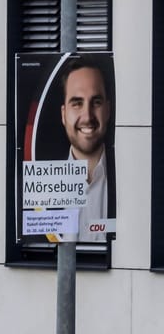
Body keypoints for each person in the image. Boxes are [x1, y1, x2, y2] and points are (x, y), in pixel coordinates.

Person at [58, 57, 113, 243]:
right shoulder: (43, 187)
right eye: (77, 103)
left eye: (96, 102)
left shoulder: (131, 182)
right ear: (64, 114)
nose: (87, 116)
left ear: (108, 109)